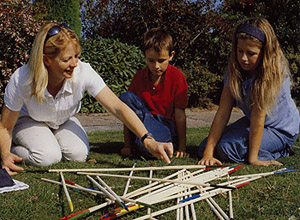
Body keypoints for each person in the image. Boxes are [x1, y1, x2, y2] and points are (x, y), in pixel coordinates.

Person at [0, 22, 173, 175]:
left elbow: (117, 107)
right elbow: (6, 126)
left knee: (78, 155)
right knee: (48, 157)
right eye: (67, 59)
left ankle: (48, 140)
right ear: (47, 60)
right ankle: (16, 148)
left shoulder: (83, 71)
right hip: (30, 120)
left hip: (63, 120)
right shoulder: (22, 78)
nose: (75, 64)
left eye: (76, 56)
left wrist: (147, 139)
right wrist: (5, 155)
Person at [198, 18, 299, 166]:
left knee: (227, 149)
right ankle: (257, 150)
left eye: (251, 53)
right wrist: (208, 154)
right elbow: (223, 113)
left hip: (280, 129)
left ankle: (282, 150)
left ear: (265, 52)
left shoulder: (271, 74)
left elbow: (259, 117)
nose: (243, 58)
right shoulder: (234, 71)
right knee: (205, 146)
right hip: (254, 122)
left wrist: (253, 159)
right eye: (240, 51)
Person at [119, 28, 188, 160]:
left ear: (171, 55)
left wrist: (182, 148)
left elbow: (180, 115)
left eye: (161, 60)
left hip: (165, 125)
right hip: (143, 120)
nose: (156, 66)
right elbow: (126, 114)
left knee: (147, 147)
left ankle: (147, 144)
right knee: (125, 98)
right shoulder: (139, 77)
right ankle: (139, 143)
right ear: (144, 56)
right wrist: (126, 146)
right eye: (151, 61)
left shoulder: (177, 77)